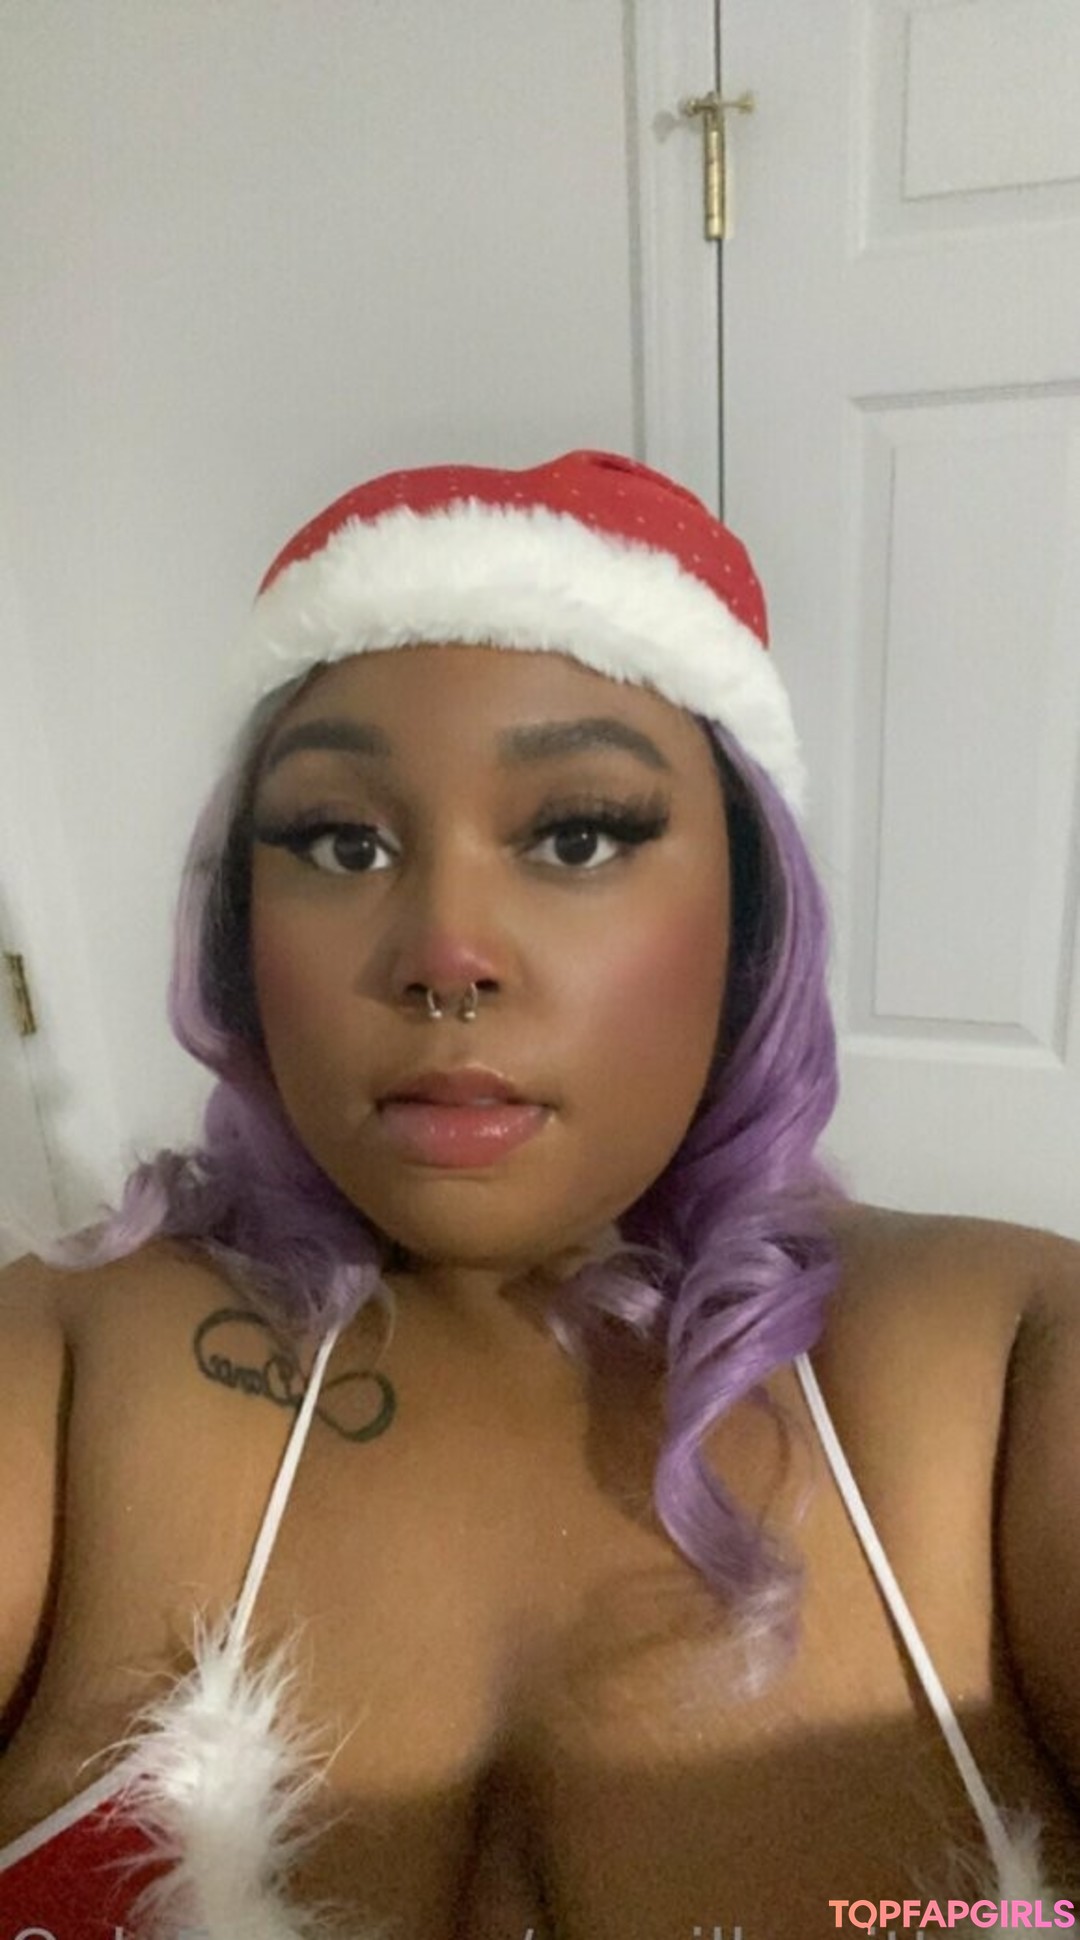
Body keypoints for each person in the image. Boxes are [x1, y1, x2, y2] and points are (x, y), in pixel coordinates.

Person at [0, 449, 1077, 1940]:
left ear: (750, 913)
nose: (447, 953)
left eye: (578, 835)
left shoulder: (1012, 1376)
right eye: (342, 841)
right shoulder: (61, 1369)